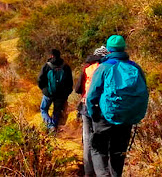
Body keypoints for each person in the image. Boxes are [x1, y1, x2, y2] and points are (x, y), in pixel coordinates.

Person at [86, 35, 149, 177]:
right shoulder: (135, 67)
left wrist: (93, 114)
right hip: (127, 117)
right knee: (118, 153)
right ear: (123, 48)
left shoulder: (104, 67)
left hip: (104, 116)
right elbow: (144, 89)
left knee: (98, 149)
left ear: (108, 49)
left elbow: (91, 96)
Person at [74, 46, 109, 177]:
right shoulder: (107, 68)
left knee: (87, 140)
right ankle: (102, 170)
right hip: (102, 108)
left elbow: (77, 88)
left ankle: (88, 172)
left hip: (86, 107)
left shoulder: (87, 67)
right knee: (101, 139)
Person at [37, 49, 73, 132]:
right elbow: (69, 81)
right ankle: (55, 126)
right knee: (57, 111)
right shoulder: (65, 66)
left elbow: (40, 79)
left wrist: (43, 89)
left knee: (43, 109)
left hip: (48, 93)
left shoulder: (47, 66)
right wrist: (67, 93)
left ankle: (50, 125)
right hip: (61, 94)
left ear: (51, 55)